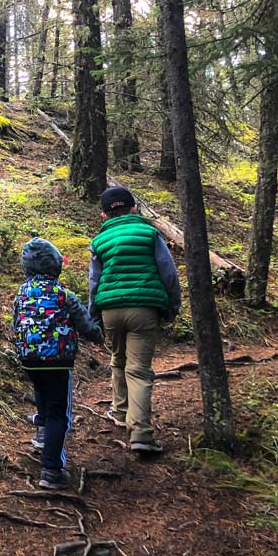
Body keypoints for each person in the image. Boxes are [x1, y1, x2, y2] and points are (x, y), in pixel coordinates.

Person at [89, 186, 182, 455]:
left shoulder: (99, 241)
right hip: (144, 308)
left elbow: (94, 281)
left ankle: (120, 411)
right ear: (134, 209)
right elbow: (169, 273)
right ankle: (140, 432)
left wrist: (93, 312)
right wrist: (173, 304)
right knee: (139, 370)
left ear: (104, 215)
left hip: (110, 310)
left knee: (118, 359)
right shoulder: (149, 233)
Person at [13, 238, 105, 489]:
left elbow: (15, 323)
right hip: (57, 360)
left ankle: (43, 436)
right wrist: (99, 336)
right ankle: (51, 470)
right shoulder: (63, 294)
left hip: (28, 359)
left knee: (42, 393)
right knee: (58, 413)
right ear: (55, 264)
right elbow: (85, 325)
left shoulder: (21, 293)